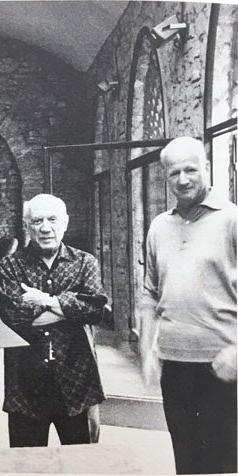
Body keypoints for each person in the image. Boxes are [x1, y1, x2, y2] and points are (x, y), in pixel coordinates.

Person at [140, 137, 237, 474]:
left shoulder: (232, 220)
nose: (182, 179)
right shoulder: (159, 226)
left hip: (223, 367)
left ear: (206, 168)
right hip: (175, 366)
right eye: (174, 173)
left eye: (190, 170)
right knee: (186, 461)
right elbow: (150, 293)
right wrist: (147, 349)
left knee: (222, 463)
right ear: (165, 176)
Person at [0, 193, 107, 447]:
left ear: (65, 222)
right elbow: (15, 318)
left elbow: (94, 311)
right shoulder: (11, 266)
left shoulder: (85, 263)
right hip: (25, 386)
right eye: (37, 221)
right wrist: (71, 306)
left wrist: (46, 300)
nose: (45, 228)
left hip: (77, 382)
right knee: (27, 463)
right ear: (27, 226)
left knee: (81, 461)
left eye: (52, 219)